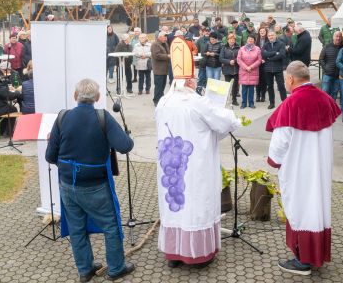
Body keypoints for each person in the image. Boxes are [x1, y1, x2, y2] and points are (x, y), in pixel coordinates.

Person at [45, 79, 136, 282]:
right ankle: (116, 268)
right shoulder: (103, 117)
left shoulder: (62, 117)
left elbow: (50, 157)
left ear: (75, 96)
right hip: (95, 186)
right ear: (97, 97)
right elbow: (125, 146)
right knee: (111, 226)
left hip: (68, 185)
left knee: (77, 228)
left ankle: (85, 270)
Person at [154, 76, 240, 268]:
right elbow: (223, 122)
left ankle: (174, 254)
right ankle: (198, 254)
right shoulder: (196, 102)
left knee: (174, 208)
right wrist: (228, 111)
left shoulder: (163, 101)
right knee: (197, 205)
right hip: (196, 166)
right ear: (190, 82)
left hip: (172, 166)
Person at [266, 61, 339, 276]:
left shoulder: (291, 104)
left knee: (299, 209)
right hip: (320, 166)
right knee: (317, 207)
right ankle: (316, 255)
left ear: (289, 79)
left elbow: (280, 141)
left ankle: (302, 261)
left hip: (298, 167)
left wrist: (273, 161)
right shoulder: (325, 99)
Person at [261, 31, 287, 109]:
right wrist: (275, 52)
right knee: (270, 86)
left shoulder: (281, 44)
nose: (270, 37)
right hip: (268, 69)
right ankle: (272, 102)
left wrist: (269, 58)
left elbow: (282, 55)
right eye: (269, 35)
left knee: (281, 86)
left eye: (272, 35)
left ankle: (285, 102)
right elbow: (263, 54)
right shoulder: (265, 45)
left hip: (278, 68)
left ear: (275, 35)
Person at [237, 36, 262, 109]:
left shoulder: (257, 49)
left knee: (251, 89)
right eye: (249, 39)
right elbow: (239, 60)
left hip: (253, 71)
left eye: (252, 39)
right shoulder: (241, 49)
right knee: (244, 89)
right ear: (246, 40)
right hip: (244, 71)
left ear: (254, 41)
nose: (250, 40)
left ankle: (251, 103)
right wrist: (246, 67)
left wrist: (251, 67)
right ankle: (244, 103)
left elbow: (259, 60)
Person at [320, 31, 343, 99]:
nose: (338, 38)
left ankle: (332, 109)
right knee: (325, 93)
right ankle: (324, 109)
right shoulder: (327, 46)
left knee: (334, 93)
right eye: (336, 36)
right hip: (327, 75)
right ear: (333, 37)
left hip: (338, 76)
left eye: (340, 36)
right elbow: (321, 59)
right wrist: (326, 68)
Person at [220, 33, 241, 106]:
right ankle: (226, 99)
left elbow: (240, 57)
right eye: (230, 39)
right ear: (228, 40)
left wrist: (234, 61)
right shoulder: (224, 47)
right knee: (227, 85)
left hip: (236, 69)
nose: (232, 41)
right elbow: (221, 58)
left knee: (235, 86)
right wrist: (229, 61)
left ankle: (234, 100)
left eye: (233, 39)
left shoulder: (238, 48)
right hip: (227, 69)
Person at [151, 32, 171, 105]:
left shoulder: (165, 43)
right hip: (158, 69)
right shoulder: (155, 44)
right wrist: (168, 56)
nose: (166, 38)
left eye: (166, 37)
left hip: (164, 69)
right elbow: (157, 56)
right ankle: (156, 100)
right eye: (164, 37)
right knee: (158, 86)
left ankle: (161, 99)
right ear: (159, 37)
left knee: (163, 85)